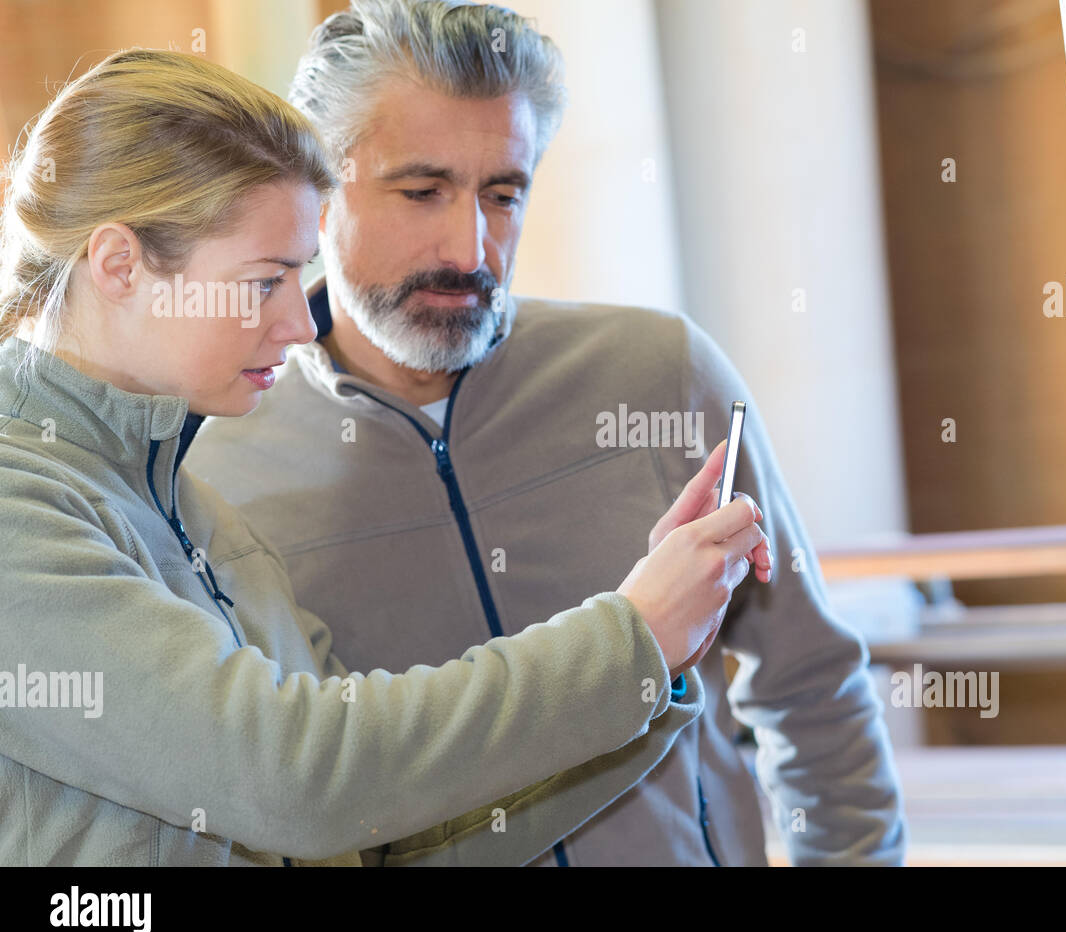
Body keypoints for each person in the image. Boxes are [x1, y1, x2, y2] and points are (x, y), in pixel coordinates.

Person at [0, 47, 771, 867]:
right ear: (120, 265)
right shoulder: (18, 511)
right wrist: (630, 639)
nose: (300, 323)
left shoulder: (194, 511)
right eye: (266, 281)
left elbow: (385, 838)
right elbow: (292, 778)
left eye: (302, 277)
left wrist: (653, 671)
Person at [190, 0, 905, 866]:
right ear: (315, 191)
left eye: (503, 192)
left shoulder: (660, 371)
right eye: (421, 191)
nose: (471, 247)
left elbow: (810, 683)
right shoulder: (213, 469)